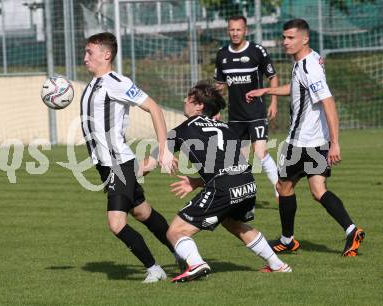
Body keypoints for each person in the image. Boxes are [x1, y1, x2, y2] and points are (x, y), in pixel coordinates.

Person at [140, 83, 292, 283]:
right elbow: (232, 164)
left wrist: (121, 177)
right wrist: (197, 181)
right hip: (247, 182)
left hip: (224, 187)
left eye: (189, 98)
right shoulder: (225, 127)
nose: (184, 101)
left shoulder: (183, 130)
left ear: (199, 106)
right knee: (233, 223)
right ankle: (278, 265)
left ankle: (196, 263)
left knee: (176, 231)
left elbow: (147, 165)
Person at [246, 19, 365, 256]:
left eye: (290, 38)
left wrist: (336, 142)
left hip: (300, 142)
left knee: (284, 186)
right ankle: (351, 229)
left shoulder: (309, 67)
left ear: (304, 38)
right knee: (318, 190)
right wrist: (267, 90)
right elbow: (297, 88)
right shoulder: (308, 61)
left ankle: (287, 240)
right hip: (316, 141)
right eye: (284, 37)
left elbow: (328, 103)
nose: (285, 42)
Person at [81, 32, 179, 283]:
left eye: (89, 53)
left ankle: (154, 269)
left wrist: (164, 149)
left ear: (106, 55)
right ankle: (182, 252)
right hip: (105, 166)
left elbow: (154, 108)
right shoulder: (93, 84)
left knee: (116, 223)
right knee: (143, 213)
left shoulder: (117, 82)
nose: (85, 58)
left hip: (118, 164)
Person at [214, 15, 279, 200]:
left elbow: (272, 76)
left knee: (260, 152)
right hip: (235, 117)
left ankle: (278, 187)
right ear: (228, 31)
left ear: (245, 31)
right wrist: (216, 110)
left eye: (238, 29)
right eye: (232, 30)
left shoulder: (257, 51)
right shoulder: (222, 55)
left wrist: (273, 101)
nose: (235, 33)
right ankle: (243, 195)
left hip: (256, 113)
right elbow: (220, 86)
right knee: (239, 159)